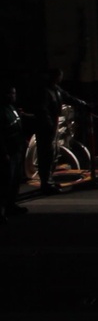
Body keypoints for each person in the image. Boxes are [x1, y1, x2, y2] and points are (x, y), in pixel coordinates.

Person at [35, 68, 89, 193]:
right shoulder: (45, 91)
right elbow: (42, 110)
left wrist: (82, 103)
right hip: (45, 127)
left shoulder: (56, 90)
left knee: (53, 154)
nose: (60, 79)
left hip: (53, 125)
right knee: (46, 155)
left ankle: (50, 181)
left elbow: (68, 97)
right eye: (59, 76)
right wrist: (49, 126)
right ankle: (46, 183)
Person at [1, 84, 29, 220]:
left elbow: (18, 126)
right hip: (9, 150)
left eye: (14, 93)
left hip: (17, 148)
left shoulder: (13, 108)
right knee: (6, 181)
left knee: (15, 179)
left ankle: (11, 205)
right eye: (10, 94)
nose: (12, 96)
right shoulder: (3, 110)